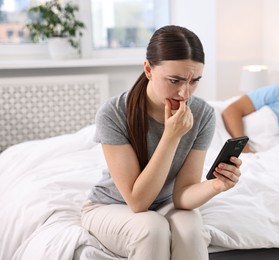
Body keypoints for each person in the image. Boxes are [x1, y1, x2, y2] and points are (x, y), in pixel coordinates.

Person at [80, 25, 242, 260]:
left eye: (195, 80)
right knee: (151, 229)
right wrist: (171, 136)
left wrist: (217, 185)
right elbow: (137, 202)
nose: (185, 93)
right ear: (148, 69)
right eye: (174, 80)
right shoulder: (113, 113)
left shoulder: (203, 114)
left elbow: (182, 196)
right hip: (112, 206)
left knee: (192, 231)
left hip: (166, 203)